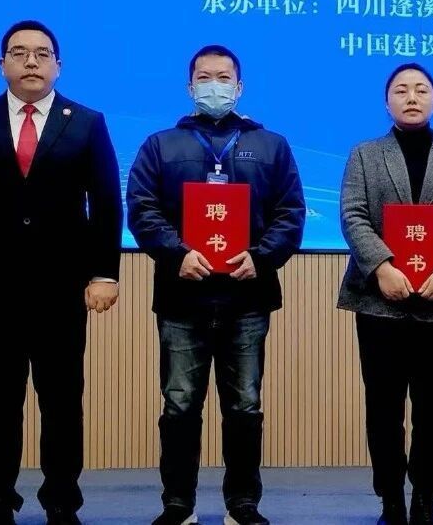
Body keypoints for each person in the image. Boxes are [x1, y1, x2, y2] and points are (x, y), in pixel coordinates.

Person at [0, 20, 122, 525]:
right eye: (19, 53)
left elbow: (107, 204)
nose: (31, 61)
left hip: (62, 288)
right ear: (2, 64)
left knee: (61, 401)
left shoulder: (87, 122)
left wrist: (104, 273)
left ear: (58, 65)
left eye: (42, 53)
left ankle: (61, 501)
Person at [127, 44, 305, 525]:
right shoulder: (161, 145)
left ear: (239, 87)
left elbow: (291, 212)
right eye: (204, 77)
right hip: (182, 298)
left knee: (245, 405)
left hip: (248, 297)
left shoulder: (271, 145)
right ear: (190, 87)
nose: (214, 86)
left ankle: (242, 504)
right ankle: (177, 505)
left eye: (223, 78)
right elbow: (142, 209)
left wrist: (262, 257)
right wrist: (177, 254)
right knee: (180, 404)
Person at [338, 62, 433, 525]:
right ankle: (391, 500)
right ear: (387, 102)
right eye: (401, 90)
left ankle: (425, 498)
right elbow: (353, 214)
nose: (412, 97)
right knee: (383, 408)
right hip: (380, 300)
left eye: (421, 90)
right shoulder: (364, 154)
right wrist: (382, 267)